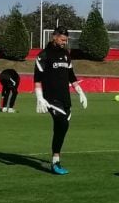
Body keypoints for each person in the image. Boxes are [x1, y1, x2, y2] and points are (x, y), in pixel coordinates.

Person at [33, 26, 87, 175]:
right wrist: (39, 98)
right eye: (62, 39)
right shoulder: (43, 55)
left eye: (66, 40)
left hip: (65, 99)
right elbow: (37, 79)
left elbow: (71, 76)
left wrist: (80, 92)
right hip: (51, 99)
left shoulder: (66, 54)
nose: (64, 42)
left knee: (61, 128)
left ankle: (55, 159)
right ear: (54, 37)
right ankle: (56, 162)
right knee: (62, 123)